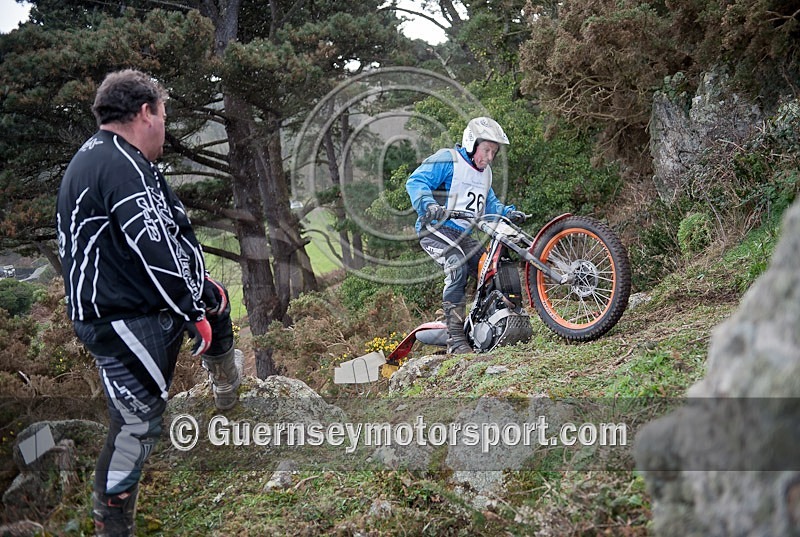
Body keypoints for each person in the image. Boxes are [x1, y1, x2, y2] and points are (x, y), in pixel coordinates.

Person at [56, 69, 241, 537]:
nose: (166, 126)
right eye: (163, 114)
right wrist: (189, 309)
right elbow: (150, 244)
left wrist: (199, 293)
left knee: (217, 304)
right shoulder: (120, 165)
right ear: (145, 112)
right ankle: (112, 526)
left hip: (134, 307)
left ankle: (226, 388)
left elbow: (164, 233)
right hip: (122, 318)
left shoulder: (110, 158)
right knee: (136, 425)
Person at [406, 117, 526, 354]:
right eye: (486, 150)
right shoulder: (448, 159)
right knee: (457, 265)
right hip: (436, 229)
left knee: (492, 272)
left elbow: (490, 205)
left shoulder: (486, 174)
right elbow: (416, 181)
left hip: (463, 236)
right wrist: (428, 204)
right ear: (472, 144)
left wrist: (509, 213)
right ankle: (455, 338)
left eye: (494, 152)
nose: (490, 157)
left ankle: (488, 328)